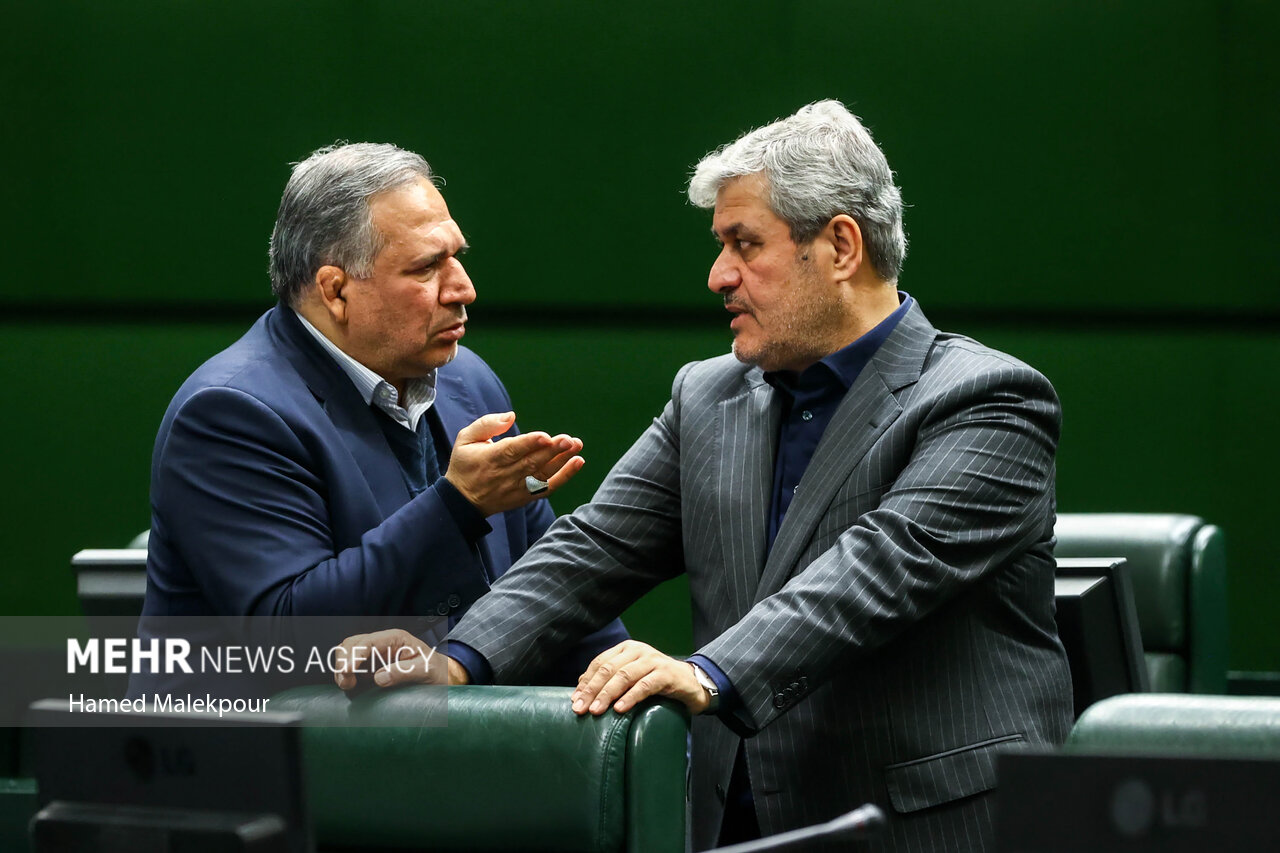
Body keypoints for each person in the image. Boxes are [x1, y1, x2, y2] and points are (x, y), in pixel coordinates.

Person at [337, 103, 1073, 852]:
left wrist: (709, 673)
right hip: (736, 827)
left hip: (931, 829)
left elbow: (875, 570)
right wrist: (455, 661)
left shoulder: (988, 399)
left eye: (744, 244)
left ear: (841, 246)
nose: (719, 275)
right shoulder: (708, 394)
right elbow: (595, 549)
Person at [130, 142, 626, 700]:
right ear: (336, 291)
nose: (463, 289)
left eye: (457, 257)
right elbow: (290, 636)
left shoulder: (467, 381)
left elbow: (544, 583)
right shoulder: (231, 412)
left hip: (445, 735)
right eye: (426, 267)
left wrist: (624, 685)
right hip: (258, 746)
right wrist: (459, 506)